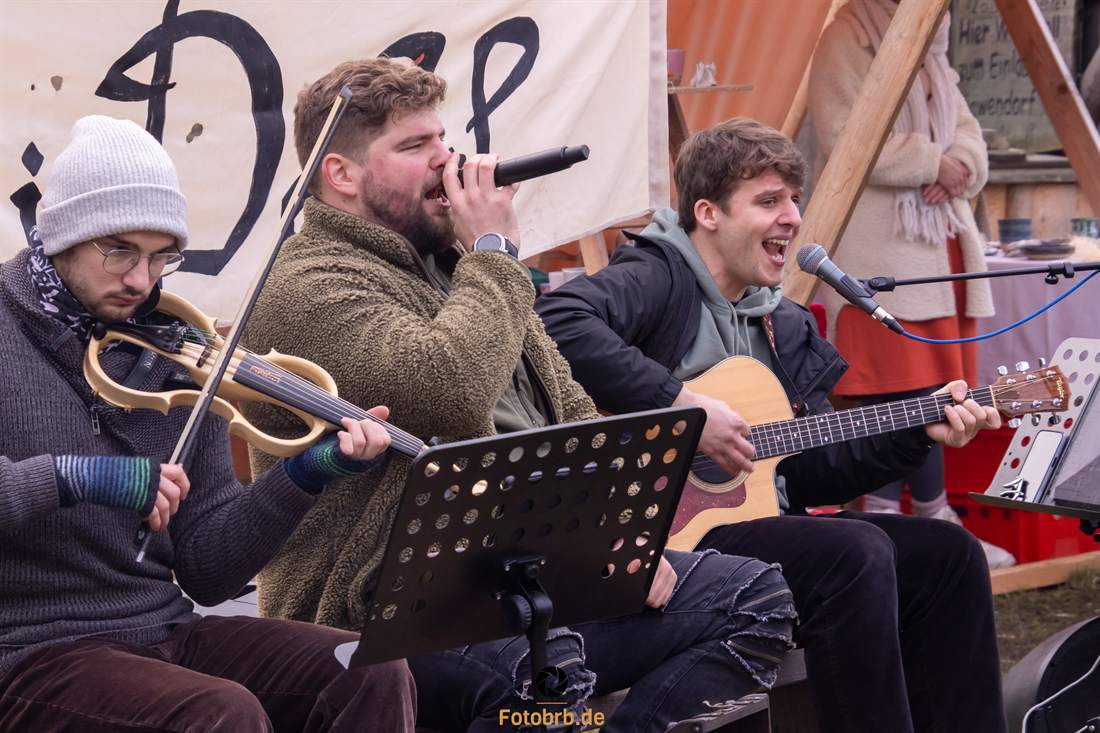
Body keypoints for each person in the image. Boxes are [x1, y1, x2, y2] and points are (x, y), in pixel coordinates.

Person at [241, 58, 797, 732]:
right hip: (381, 603)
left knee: (754, 596)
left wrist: (618, 544)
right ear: (342, 174)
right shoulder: (307, 286)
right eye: (415, 147)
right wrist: (495, 251)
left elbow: (571, 411)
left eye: (443, 140)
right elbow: (447, 390)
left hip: (520, 570)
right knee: (546, 670)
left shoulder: (461, 265)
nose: (447, 161)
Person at [535, 117, 1008, 732]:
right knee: (855, 553)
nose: (792, 217)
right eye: (768, 202)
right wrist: (683, 405)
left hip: (755, 531)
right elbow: (557, 320)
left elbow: (813, 470)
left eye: (794, 200)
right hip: (662, 542)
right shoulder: (657, 276)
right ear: (708, 213)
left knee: (949, 554)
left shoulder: (782, 322)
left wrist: (918, 433)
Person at [0, 116, 416, 733]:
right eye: (119, 251)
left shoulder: (176, 348)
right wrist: (71, 478)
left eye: (161, 257)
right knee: (221, 713)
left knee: (369, 667)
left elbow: (209, 570)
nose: (140, 281)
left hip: (162, 628)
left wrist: (308, 473)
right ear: (63, 236)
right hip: (28, 651)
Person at [807, 0, 1015, 568]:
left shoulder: (930, 45)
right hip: (880, 253)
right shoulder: (848, 36)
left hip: (938, 250)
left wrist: (962, 165)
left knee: (940, 389)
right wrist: (932, 162)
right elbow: (845, 132)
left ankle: (931, 518)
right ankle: (888, 524)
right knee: (888, 392)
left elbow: (967, 129)